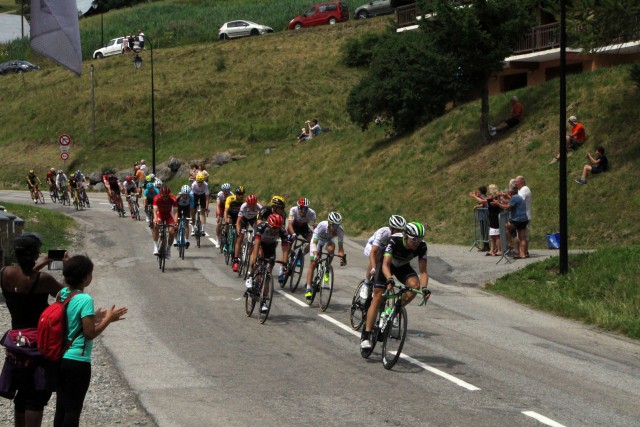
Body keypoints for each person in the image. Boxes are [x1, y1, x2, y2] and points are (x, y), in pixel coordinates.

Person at [53, 255, 127, 427]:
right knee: (73, 410)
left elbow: (72, 319)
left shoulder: (62, 294)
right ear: (86, 277)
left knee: (62, 407)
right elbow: (89, 333)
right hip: (77, 361)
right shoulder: (85, 299)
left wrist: (97, 317)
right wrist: (107, 319)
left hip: (60, 357)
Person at [0, 234, 65, 427]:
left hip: (16, 343)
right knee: (36, 396)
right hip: (39, 343)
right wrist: (66, 264)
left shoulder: (4, 273)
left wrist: (40, 264)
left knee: (21, 394)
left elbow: (23, 282)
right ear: (36, 254)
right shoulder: (43, 280)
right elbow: (67, 296)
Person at [360, 222, 431, 350]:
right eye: (414, 239)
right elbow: (385, 265)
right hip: (387, 264)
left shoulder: (422, 246)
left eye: (420, 239)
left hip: (403, 266)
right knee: (378, 297)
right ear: (405, 235)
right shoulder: (394, 240)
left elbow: (423, 272)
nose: (417, 243)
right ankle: (366, 335)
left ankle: (394, 309)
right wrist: (389, 279)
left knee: (415, 286)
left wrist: (425, 288)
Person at [245, 214, 291, 313]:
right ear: (269, 225)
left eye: (278, 228)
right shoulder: (261, 227)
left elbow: (285, 249)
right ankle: (250, 276)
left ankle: (263, 302)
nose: (276, 230)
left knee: (268, 274)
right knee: (260, 256)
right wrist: (254, 261)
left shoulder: (282, 232)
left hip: (270, 247)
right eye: (274, 228)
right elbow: (257, 244)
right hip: (260, 244)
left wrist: (284, 264)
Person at [304, 212, 347, 300]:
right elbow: (314, 243)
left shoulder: (340, 230)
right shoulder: (322, 226)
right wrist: (315, 254)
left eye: (338, 225)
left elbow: (341, 248)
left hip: (327, 240)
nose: (336, 228)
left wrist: (342, 258)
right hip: (317, 240)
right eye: (334, 226)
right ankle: (308, 288)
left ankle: (327, 268)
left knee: (332, 249)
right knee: (313, 263)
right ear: (329, 223)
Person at [362, 215, 406, 292]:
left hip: (384, 250)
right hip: (371, 247)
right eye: (397, 230)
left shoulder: (402, 236)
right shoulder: (383, 233)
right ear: (391, 228)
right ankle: (366, 283)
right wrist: (373, 267)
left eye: (401, 231)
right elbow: (373, 251)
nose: (399, 233)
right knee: (377, 255)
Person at [495, 186, 528, 259]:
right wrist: (506, 197)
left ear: (510, 192)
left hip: (518, 219)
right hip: (524, 219)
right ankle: (523, 253)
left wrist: (498, 204)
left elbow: (507, 207)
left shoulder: (514, 198)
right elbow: (510, 201)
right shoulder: (518, 197)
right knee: (522, 237)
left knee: (507, 226)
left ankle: (510, 242)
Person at [232, 195, 262, 272]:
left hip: (253, 220)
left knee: (257, 236)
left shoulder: (259, 207)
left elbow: (261, 222)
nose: (252, 206)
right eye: (250, 205)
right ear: (247, 203)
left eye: (253, 205)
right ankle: (236, 261)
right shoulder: (243, 206)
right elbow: (238, 221)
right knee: (240, 238)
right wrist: (238, 230)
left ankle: (252, 249)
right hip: (244, 219)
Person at [153, 185, 178, 258]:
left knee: (172, 232)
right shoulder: (156, 198)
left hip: (168, 215)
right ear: (160, 194)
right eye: (163, 196)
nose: (165, 198)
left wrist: (176, 222)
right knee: (156, 226)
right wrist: (155, 220)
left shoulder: (173, 198)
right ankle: (155, 247)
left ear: (169, 194)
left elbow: (176, 212)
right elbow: (154, 211)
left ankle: (168, 249)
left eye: (167, 196)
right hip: (159, 214)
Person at [224, 186, 246, 271]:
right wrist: (226, 221)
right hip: (231, 215)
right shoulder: (230, 198)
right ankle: (226, 239)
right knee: (228, 223)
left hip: (239, 217)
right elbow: (226, 210)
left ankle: (236, 251)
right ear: (236, 194)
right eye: (239, 194)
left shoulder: (243, 202)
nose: (240, 195)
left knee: (238, 235)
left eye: (242, 194)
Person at [514, 176, 532, 257]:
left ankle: (523, 252)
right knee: (523, 236)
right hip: (522, 216)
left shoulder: (524, 189)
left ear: (521, 181)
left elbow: (518, 201)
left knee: (522, 236)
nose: (515, 184)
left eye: (516, 182)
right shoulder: (520, 190)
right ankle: (525, 252)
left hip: (524, 216)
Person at [469, 185, 490, 252]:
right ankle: (486, 245)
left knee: (484, 231)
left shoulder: (483, 197)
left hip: (484, 216)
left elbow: (482, 204)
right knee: (484, 231)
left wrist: (477, 206)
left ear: (481, 192)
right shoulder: (484, 196)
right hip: (483, 216)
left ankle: (486, 246)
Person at [175, 185, 193, 249]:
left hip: (187, 208)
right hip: (178, 207)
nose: (185, 196)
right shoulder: (178, 196)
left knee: (186, 224)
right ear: (181, 193)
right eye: (184, 194)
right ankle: (175, 239)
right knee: (176, 223)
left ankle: (186, 240)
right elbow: (174, 206)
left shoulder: (191, 197)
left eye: (187, 195)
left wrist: (190, 217)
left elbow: (191, 208)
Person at [215, 183, 233, 249]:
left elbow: (233, 207)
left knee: (228, 222)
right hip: (221, 207)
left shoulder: (231, 195)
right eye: (224, 191)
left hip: (228, 208)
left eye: (227, 191)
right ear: (222, 191)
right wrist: (219, 214)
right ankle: (217, 239)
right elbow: (218, 205)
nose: (226, 192)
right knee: (219, 223)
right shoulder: (220, 194)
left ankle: (226, 235)